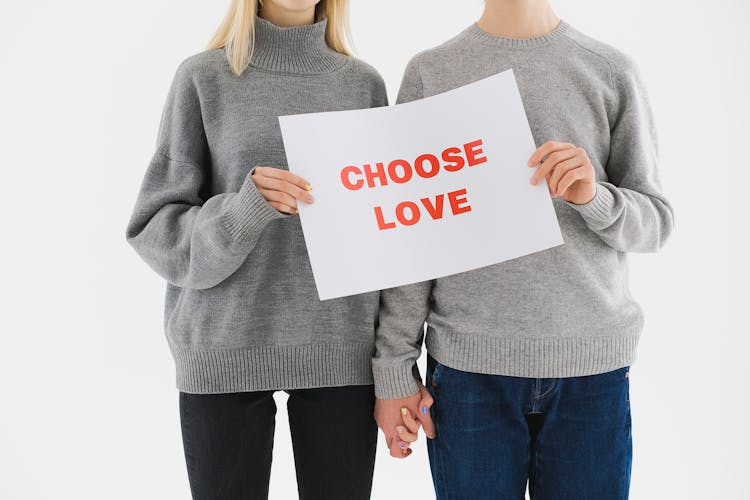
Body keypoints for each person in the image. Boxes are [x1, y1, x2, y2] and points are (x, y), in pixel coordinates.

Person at [372, 1, 674, 499]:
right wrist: (393, 370)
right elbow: (410, 240)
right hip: (468, 375)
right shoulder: (431, 72)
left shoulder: (609, 69)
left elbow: (656, 224)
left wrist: (592, 197)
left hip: (590, 374)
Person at [125, 1, 388, 498]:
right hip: (223, 346)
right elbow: (153, 227)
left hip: (342, 350)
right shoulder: (203, 78)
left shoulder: (364, 85)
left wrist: (398, 364)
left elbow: (387, 233)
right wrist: (243, 211)